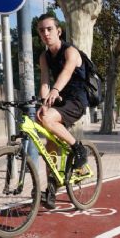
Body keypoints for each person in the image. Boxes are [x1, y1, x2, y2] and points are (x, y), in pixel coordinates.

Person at [35, 14, 88, 209]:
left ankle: (78, 148)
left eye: (49, 29)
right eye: (41, 30)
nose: (45, 33)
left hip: (76, 101)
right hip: (59, 101)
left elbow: (66, 73)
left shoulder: (70, 51)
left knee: (48, 119)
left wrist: (55, 91)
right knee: (49, 140)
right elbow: (45, 82)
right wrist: (43, 102)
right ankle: (51, 189)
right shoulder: (44, 56)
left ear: (58, 31)